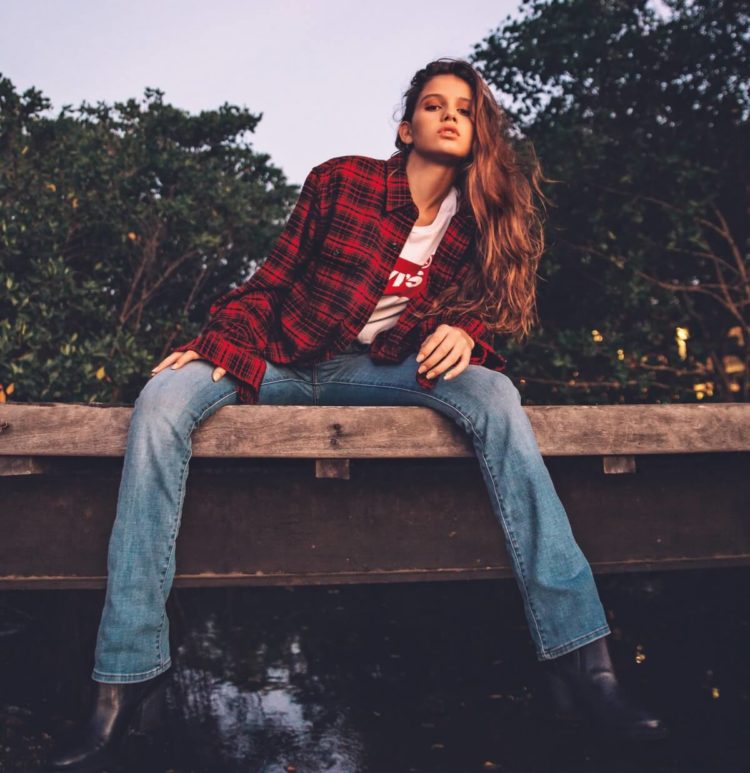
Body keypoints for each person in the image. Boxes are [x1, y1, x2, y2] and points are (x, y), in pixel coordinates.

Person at [49, 57, 666, 770]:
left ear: (478, 130)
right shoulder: (339, 182)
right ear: (406, 128)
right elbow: (272, 280)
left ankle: (584, 663)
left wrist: (469, 333)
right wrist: (219, 344)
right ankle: (125, 678)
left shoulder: (481, 222)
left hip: (387, 372)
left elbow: (492, 310)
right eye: (434, 105)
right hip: (286, 357)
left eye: (464, 108)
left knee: (497, 393)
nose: (449, 115)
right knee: (161, 400)